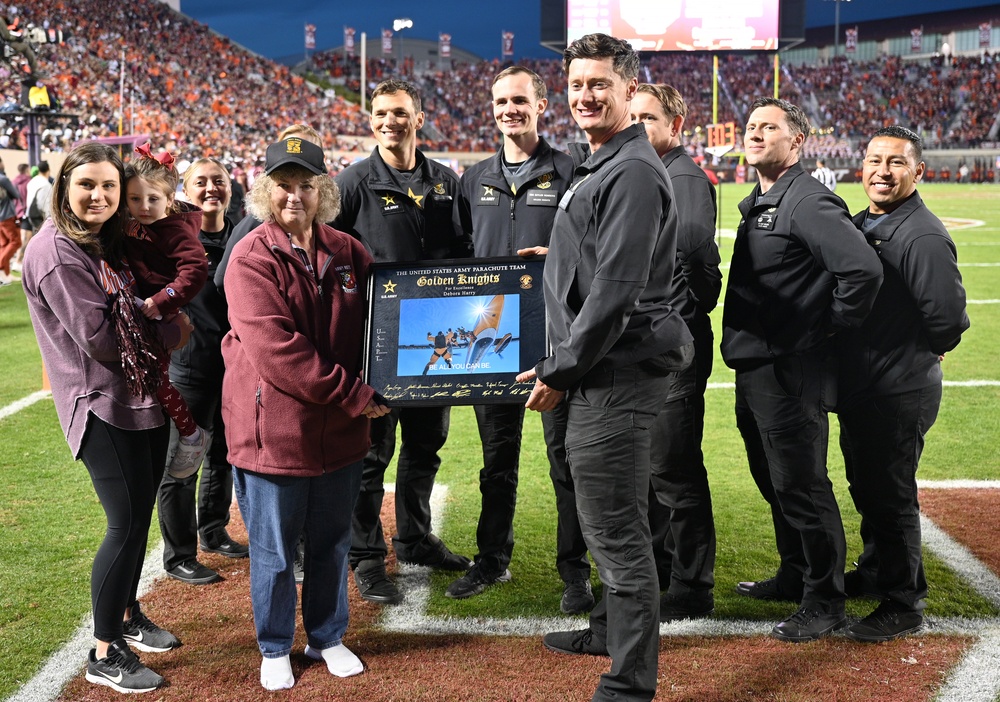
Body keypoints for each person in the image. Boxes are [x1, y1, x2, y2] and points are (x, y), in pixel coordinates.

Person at [516, 34, 693, 701]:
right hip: (600, 371)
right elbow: (602, 260)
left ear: (628, 91)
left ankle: (629, 685)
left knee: (617, 535)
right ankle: (605, 638)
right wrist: (555, 260)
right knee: (612, 525)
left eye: (599, 85)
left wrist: (559, 371)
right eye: (577, 85)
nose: (585, 96)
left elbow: (618, 292)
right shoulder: (605, 163)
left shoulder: (633, 170)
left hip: (612, 377)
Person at [22, 143, 192, 694]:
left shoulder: (102, 241)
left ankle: (124, 614)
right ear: (64, 186)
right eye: (86, 185)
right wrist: (171, 332)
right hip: (100, 403)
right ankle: (104, 652)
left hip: (137, 395)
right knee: (123, 525)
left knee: (138, 518)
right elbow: (98, 340)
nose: (99, 196)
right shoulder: (55, 251)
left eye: (109, 187)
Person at [223, 137, 389, 690]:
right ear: (265, 192)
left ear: (324, 191)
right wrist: (358, 395)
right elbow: (280, 354)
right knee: (272, 548)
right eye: (284, 185)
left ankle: (325, 635)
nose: (295, 196)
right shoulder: (249, 257)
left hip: (338, 429)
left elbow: (384, 319)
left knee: (332, 539)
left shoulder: (348, 249)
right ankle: (274, 645)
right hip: (275, 429)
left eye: (306, 185)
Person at [721, 97, 883, 642]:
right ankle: (795, 573)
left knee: (803, 486)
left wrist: (822, 328)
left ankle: (826, 599)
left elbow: (861, 270)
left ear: (798, 141)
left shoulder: (808, 200)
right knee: (773, 479)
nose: (755, 134)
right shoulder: (765, 198)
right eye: (751, 127)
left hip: (790, 369)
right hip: (756, 366)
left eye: (769, 127)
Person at [334, 78, 473, 605]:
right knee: (371, 454)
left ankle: (413, 539)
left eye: (398, 113)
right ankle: (366, 556)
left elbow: (466, 252)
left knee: (425, 445)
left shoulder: (445, 181)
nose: (388, 121)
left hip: (437, 342)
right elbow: (327, 258)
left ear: (419, 117)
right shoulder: (352, 183)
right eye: (379, 113)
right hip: (378, 344)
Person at [838, 126, 969, 642]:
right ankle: (875, 570)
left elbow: (949, 320)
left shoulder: (922, 234)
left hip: (898, 385)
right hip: (868, 381)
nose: (882, 171)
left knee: (890, 493)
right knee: (868, 485)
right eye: (874, 160)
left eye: (895, 163)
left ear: (918, 171)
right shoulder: (868, 221)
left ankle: (903, 600)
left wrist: (922, 347)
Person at [451, 65, 576, 601]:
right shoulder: (473, 177)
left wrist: (562, 260)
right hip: (492, 343)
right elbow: (459, 257)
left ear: (542, 104)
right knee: (496, 461)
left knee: (566, 462)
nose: (510, 110)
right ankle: (491, 558)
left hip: (556, 341)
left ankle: (575, 571)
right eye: (501, 101)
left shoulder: (573, 171)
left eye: (520, 100)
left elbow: (592, 253)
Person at [630, 83, 722, 622]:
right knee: (655, 469)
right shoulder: (656, 170)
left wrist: (667, 329)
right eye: (633, 116)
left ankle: (692, 584)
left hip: (671, 352)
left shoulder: (681, 177)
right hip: (660, 347)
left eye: (649, 118)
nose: (637, 126)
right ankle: (668, 570)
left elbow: (695, 273)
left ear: (675, 125)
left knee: (674, 467)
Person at [157, 157, 248, 586]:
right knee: (181, 463)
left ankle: (213, 530)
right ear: (184, 190)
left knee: (223, 456)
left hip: (233, 366)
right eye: (201, 182)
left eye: (219, 181)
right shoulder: (173, 239)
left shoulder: (243, 234)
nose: (211, 188)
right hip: (189, 367)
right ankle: (178, 556)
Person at [123, 144, 211, 477]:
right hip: (140, 308)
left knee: (156, 378)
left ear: (169, 199)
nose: (144, 207)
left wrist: (162, 300)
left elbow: (194, 270)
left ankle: (191, 434)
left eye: (153, 200)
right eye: (135, 199)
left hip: (161, 311)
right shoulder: (130, 221)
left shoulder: (175, 229)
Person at [0, 157, 23, 286]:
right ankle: (1, 267)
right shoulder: (3, 179)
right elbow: (16, 194)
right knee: (16, 241)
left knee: (4, 244)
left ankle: (6, 274)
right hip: (7, 215)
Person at [12, 162, 29, 269]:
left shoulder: (13, 182)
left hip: (15, 212)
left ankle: (18, 260)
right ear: (27, 170)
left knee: (22, 237)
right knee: (25, 237)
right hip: (25, 212)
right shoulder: (28, 181)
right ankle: (18, 261)